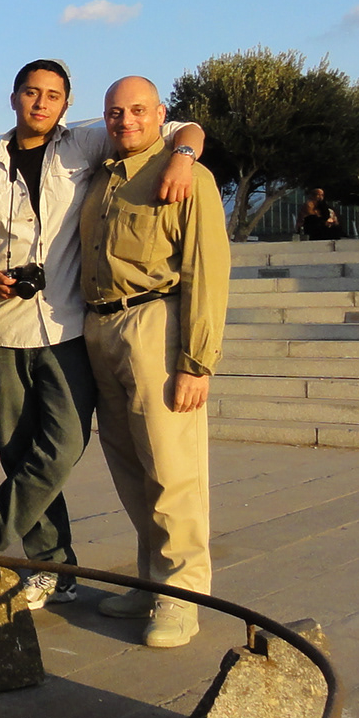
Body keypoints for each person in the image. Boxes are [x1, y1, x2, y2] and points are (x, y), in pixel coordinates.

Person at [0, 60, 206, 609]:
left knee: (64, 445)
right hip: (4, 327)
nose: (41, 103)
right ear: (14, 97)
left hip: (68, 324)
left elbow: (179, 128)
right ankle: (53, 566)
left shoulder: (85, 147)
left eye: (53, 95)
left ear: (66, 104)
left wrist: (184, 156)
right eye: (31, 92)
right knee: (18, 451)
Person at [79, 76, 230, 650]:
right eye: (116, 112)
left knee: (172, 468)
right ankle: (151, 581)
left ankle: (183, 594)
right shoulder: (103, 176)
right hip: (101, 327)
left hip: (154, 326)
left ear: (161, 114)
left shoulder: (187, 174)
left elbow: (207, 271)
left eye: (139, 110)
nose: (127, 121)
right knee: (130, 467)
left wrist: (197, 362)